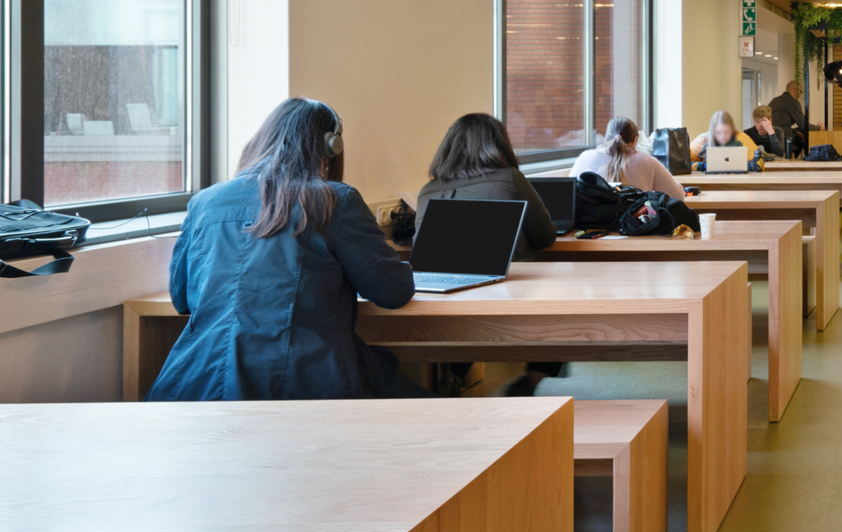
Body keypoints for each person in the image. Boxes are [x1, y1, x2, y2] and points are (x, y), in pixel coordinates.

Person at [147, 97, 428, 402]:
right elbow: (393, 292)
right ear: (331, 146)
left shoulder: (205, 201)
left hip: (198, 383)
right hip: (307, 381)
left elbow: (181, 299)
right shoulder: (336, 200)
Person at [415, 112, 557, 259]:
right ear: (500, 144)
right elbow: (544, 238)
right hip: (508, 272)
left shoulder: (427, 191)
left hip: (438, 272)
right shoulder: (510, 178)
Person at [571, 116, 685, 197]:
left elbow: (568, 194)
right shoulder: (648, 161)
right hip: (633, 223)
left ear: (606, 139)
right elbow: (678, 195)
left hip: (592, 223)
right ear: (635, 141)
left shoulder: (585, 157)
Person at [691, 109, 764, 168]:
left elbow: (760, 164)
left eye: (726, 132)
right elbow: (685, 164)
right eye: (718, 132)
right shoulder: (702, 141)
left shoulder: (742, 138)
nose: (723, 137)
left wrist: (733, 166)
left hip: (737, 180)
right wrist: (704, 166)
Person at [769, 80, 808, 151]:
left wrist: (796, 132)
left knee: (798, 132)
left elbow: (779, 124)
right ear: (795, 90)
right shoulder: (792, 102)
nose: (800, 95)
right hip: (784, 138)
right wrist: (819, 128)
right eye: (800, 92)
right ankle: (793, 156)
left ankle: (792, 155)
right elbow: (803, 124)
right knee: (805, 134)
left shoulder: (775, 100)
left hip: (770, 137)